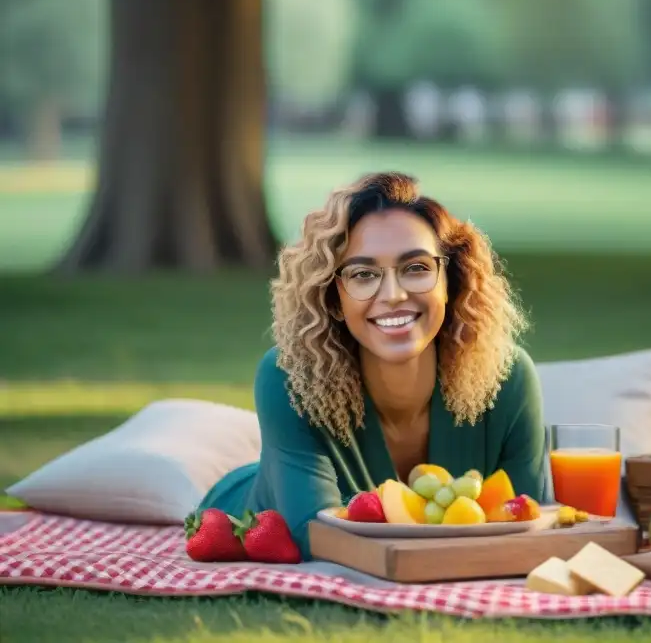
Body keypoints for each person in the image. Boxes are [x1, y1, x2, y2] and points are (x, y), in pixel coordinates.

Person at [197, 172, 547, 559]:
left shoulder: (507, 376)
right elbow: (313, 534)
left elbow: (531, 517)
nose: (394, 295)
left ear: (452, 280)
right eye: (363, 275)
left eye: (416, 268)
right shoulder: (289, 377)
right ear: (334, 300)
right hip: (238, 515)